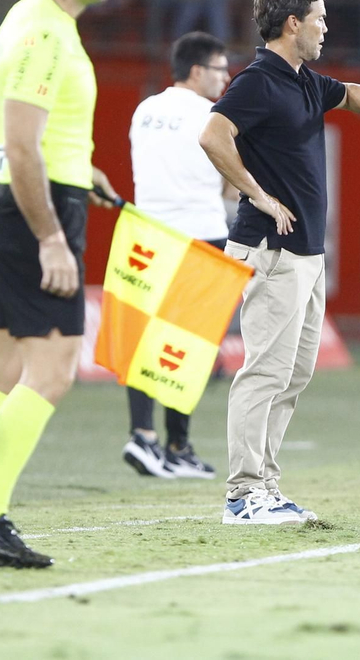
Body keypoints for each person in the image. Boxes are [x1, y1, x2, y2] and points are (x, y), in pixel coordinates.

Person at [200, 0, 360, 525]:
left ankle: (266, 487)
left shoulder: (304, 79)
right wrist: (257, 194)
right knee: (264, 372)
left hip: (305, 255)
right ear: (292, 22)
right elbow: (213, 134)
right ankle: (242, 495)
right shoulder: (257, 80)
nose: (327, 27)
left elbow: (352, 95)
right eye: (321, 18)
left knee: (295, 374)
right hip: (269, 249)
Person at [0, 0, 122, 570]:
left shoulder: (34, 24)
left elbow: (36, 140)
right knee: (50, 374)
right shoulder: (45, 35)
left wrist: (85, 172)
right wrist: (52, 237)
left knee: (3, 370)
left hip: (17, 204)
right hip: (34, 214)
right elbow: (23, 148)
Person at [121, 30, 235, 481]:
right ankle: (176, 445)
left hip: (146, 234)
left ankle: (142, 437)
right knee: (188, 346)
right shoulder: (214, 115)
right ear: (197, 70)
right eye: (221, 69)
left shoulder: (144, 110)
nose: (227, 78)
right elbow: (229, 184)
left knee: (143, 337)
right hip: (201, 236)